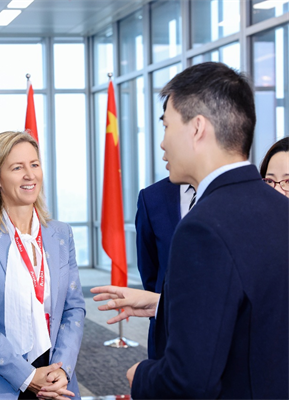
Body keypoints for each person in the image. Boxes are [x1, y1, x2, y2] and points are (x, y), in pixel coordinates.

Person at [92, 62, 288, 399]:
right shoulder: (279, 209)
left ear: (197, 128)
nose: (162, 143)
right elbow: (251, 317)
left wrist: (141, 376)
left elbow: (189, 380)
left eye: (166, 126)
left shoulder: (203, 227)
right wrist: (164, 305)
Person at [0, 131, 86, 400]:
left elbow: (73, 308)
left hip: (56, 378)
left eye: (34, 164)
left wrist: (62, 370)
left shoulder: (61, 234)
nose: (30, 175)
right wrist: (27, 376)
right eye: (17, 168)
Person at [135, 179, 195, 359]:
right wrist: (161, 304)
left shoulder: (229, 194)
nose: (167, 165)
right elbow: (148, 267)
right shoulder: (152, 197)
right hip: (166, 324)